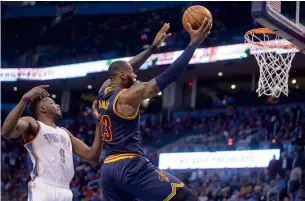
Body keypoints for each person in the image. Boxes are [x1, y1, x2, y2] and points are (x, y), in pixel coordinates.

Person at [97, 19, 212, 201]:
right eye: (132, 74)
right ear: (122, 75)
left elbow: (128, 65)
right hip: (130, 165)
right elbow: (169, 76)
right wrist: (193, 44)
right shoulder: (128, 95)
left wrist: (152, 48)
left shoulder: (104, 89)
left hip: (108, 170)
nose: (135, 75)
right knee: (185, 197)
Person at [1, 86, 103, 201]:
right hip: (44, 187)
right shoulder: (33, 124)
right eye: (53, 103)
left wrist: (99, 124)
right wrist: (24, 99)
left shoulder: (65, 132)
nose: (58, 105)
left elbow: (93, 157)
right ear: (43, 109)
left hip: (65, 190)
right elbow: (6, 132)